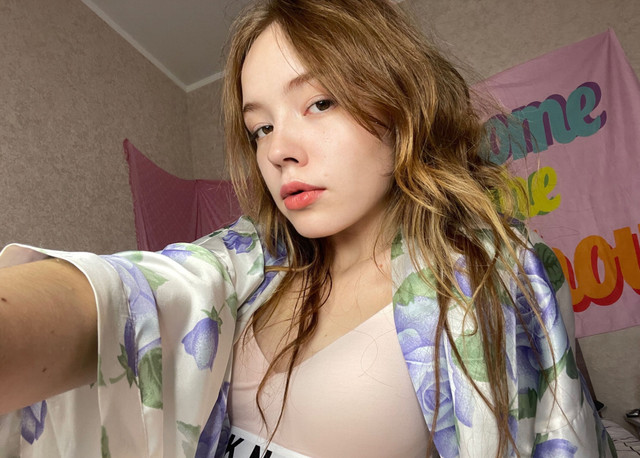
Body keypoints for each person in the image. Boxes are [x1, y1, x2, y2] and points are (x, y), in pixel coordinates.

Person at [0, 0, 614, 456]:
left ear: (400, 103)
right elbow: (129, 298)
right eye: (260, 127)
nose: (278, 151)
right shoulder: (248, 264)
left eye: (319, 103)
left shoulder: (492, 276)